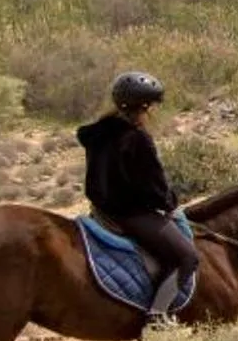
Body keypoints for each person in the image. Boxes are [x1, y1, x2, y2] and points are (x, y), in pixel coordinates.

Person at [76, 71, 198, 326]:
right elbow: (154, 187)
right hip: (131, 214)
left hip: (101, 211)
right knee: (187, 258)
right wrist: (169, 203)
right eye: (151, 106)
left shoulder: (97, 133)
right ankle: (158, 315)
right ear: (144, 107)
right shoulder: (137, 138)